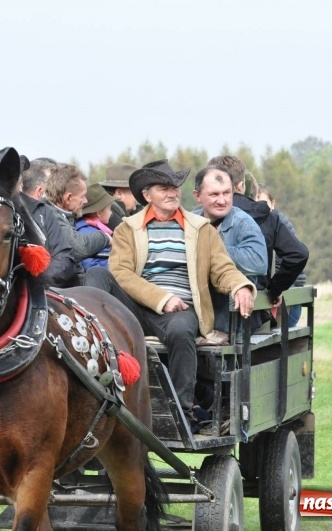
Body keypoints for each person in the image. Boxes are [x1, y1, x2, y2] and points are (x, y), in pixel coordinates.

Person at [84, 159, 255, 429]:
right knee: (96, 276)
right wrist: (161, 299)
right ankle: (90, 378)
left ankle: (181, 413)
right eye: (164, 188)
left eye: (175, 187)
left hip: (180, 310)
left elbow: (223, 269)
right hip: (136, 307)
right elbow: (121, 273)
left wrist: (240, 285)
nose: (172, 193)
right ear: (147, 195)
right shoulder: (128, 228)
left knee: (180, 330)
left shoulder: (200, 229)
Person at [208, 155, 308, 309]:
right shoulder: (269, 217)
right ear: (241, 186)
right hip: (255, 306)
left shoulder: (199, 216)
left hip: (209, 306)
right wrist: (273, 289)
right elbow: (298, 255)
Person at [0, 149, 77, 288]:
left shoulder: (42, 211)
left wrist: (36, 281)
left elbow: (64, 259)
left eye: (11, 180)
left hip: (42, 289)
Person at [192, 165, 268, 335]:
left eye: (226, 193)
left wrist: (211, 250)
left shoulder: (243, 223)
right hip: (195, 312)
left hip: (232, 320)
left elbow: (259, 262)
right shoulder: (190, 222)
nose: (222, 200)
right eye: (214, 194)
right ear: (197, 195)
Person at [46, 163, 111, 285]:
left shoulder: (60, 215)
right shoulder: (50, 216)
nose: (86, 201)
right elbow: (78, 247)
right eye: (82, 196)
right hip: (62, 290)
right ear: (68, 198)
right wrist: (106, 238)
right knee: (97, 274)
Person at [257, 184, 307, 327]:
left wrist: (274, 289)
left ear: (272, 204)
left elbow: (289, 260)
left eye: (264, 203)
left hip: (286, 291)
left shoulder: (279, 223)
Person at [75, 183, 114, 271]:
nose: (111, 213)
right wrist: (115, 265)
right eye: (109, 209)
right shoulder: (87, 232)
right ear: (99, 213)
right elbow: (90, 266)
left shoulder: (90, 228)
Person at [98, 162, 143, 229]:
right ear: (119, 193)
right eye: (135, 193)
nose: (138, 198)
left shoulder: (108, 206)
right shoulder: (112, 210)